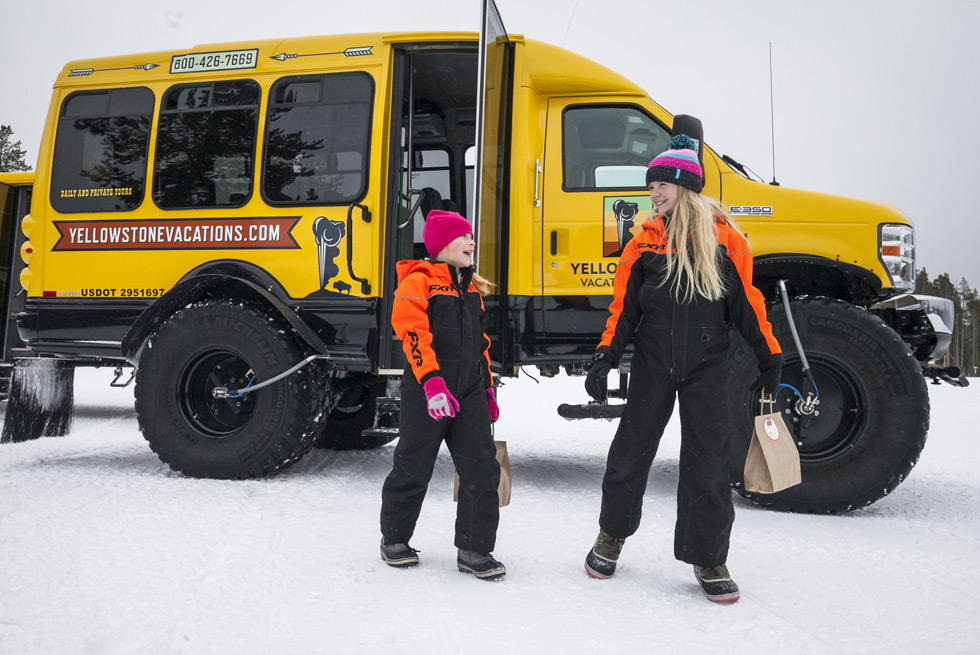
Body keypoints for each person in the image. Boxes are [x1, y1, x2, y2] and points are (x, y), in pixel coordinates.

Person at [582, 134, 783, 603]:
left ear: (686, 187)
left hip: (707, 366)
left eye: (662, 185)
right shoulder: (643, 241)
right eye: (651, 186)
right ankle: (611, 536)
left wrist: (771, 358)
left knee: (708, 463)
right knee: (629, 454)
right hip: (653, 363)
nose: (653, 194)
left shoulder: (726, 240)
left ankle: (708, 557)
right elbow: (623, 309)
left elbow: (749, 307)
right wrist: (605, 356)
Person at [380, 209, 505, 580]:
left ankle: (474, 549)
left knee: (482, 468)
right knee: (413, 465)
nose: (471, 242)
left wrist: (487, 391)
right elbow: (412, 333)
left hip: (469, 391)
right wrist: (432, 383)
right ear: (443, 245)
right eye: (464, 236)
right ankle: (394, 539)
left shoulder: (470, 288)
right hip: (428, 389)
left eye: (471, 236)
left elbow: (481, 346)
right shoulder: (418, 281)